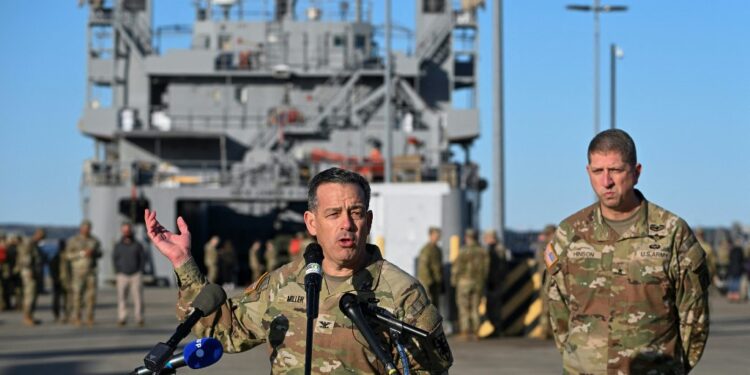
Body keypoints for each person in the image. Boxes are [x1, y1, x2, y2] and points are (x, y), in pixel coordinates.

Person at [144, 167, 452, 373]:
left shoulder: (402, 293)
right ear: (311, 223)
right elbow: (227, 331)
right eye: (333, 214)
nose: (346, 223)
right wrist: (183, 262)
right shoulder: (283, 282)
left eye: (355, 212)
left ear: (368, 222)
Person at [545, 129, 710, 374]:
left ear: (636, 173)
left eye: (616, 170)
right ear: (588, 172)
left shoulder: (672, 233)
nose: (606, 181)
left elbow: (694, 317)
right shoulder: (570, 234)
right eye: (598, 171)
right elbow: (558, 311)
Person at [451, 228, 489, 340]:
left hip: (464, 283)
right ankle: (476, 331)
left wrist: (454, 281)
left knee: (464, 308)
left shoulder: (463, 251)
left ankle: (465, 332)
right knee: (475, 308)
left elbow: (456, 268)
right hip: (478, 283)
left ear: (467, 238)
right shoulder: (483, 252)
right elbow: (486, 269)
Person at [65, 219, 102, 327]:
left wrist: (94, 253)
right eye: (84, 228)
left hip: (91, 272)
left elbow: (100, 253)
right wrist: (81, 254)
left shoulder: (95, 240)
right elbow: (67, 255)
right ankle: (77, 317)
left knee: (91, 296)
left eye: (88, 228)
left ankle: (90, 317)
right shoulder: (73, 240)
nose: (86, 230)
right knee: (77, 296)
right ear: (81, 228)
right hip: (78, 272)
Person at [113, 222, 147, 326]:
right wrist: (118, 270)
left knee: (138, 298)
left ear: (131, 230)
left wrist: (140, 270)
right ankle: (122, 318)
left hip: (135, 275)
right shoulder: (118, 245)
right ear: (122, 231)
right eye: (125, 230)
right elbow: (114, 259)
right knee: (122, 298)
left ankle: (139, 318)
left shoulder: (138, 245)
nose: (126, 232)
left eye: (128, 230)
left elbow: (143, 258)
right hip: (122, 275)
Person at [15, 229, 45, 326]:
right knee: (30, 295)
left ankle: (30, 316)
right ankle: (27, 317)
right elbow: (26, 258)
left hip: (34, 272)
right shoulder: (29, 243)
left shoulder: (35, 244)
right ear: (37, 234)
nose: (42, 238)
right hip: (29, 273)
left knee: (34, 295)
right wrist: (29, 270)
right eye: (42, 236)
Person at [416, 227, 444, 308]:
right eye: (436, 235)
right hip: (428, 283)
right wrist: (428, 282)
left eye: (439, 235)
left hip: (436, 283)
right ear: (430, 235)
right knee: (429, 305)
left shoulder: (438, 250)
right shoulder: (426, 250)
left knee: (436, 306)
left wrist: (441, 283)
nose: (438, 237)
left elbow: (440, 267)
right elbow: (423, 267)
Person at [49, 239, 71, 323]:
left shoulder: (56, 256)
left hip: (60, 281)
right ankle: (61, 315)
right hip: (60, 281)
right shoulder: (61, 257)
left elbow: (52, 269)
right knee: (61, 299)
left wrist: (55, 278)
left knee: (60, 299)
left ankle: (60, 315)